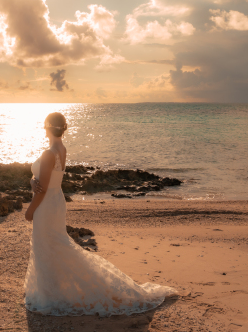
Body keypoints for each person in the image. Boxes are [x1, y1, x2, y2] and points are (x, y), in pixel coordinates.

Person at [24, 112, 175, 316]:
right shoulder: (61, 149)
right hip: (57, 200)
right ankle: (54, 290)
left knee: (47, 244)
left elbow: (42, 189)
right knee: (56, 243)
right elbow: (48, 181)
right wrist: (33, 181)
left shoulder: (49, 153)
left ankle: (50, 294)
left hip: (46, 204)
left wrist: (30, 210)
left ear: (47, 128)